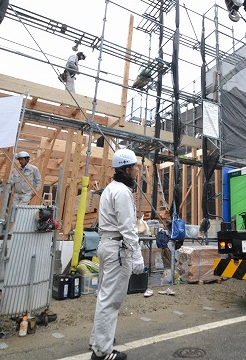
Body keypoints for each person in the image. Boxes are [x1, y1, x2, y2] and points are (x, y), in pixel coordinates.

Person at [89, 148, 144, 360]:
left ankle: (99, 341)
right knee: (110, 300)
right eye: (135, 167)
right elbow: (128, 227)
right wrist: (137, 254)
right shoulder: (121, 192)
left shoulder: (111, 189)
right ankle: (102, 352)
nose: (137, 170)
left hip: (108, 246)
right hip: (117, 250)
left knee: (104, 296)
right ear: (126, 169)